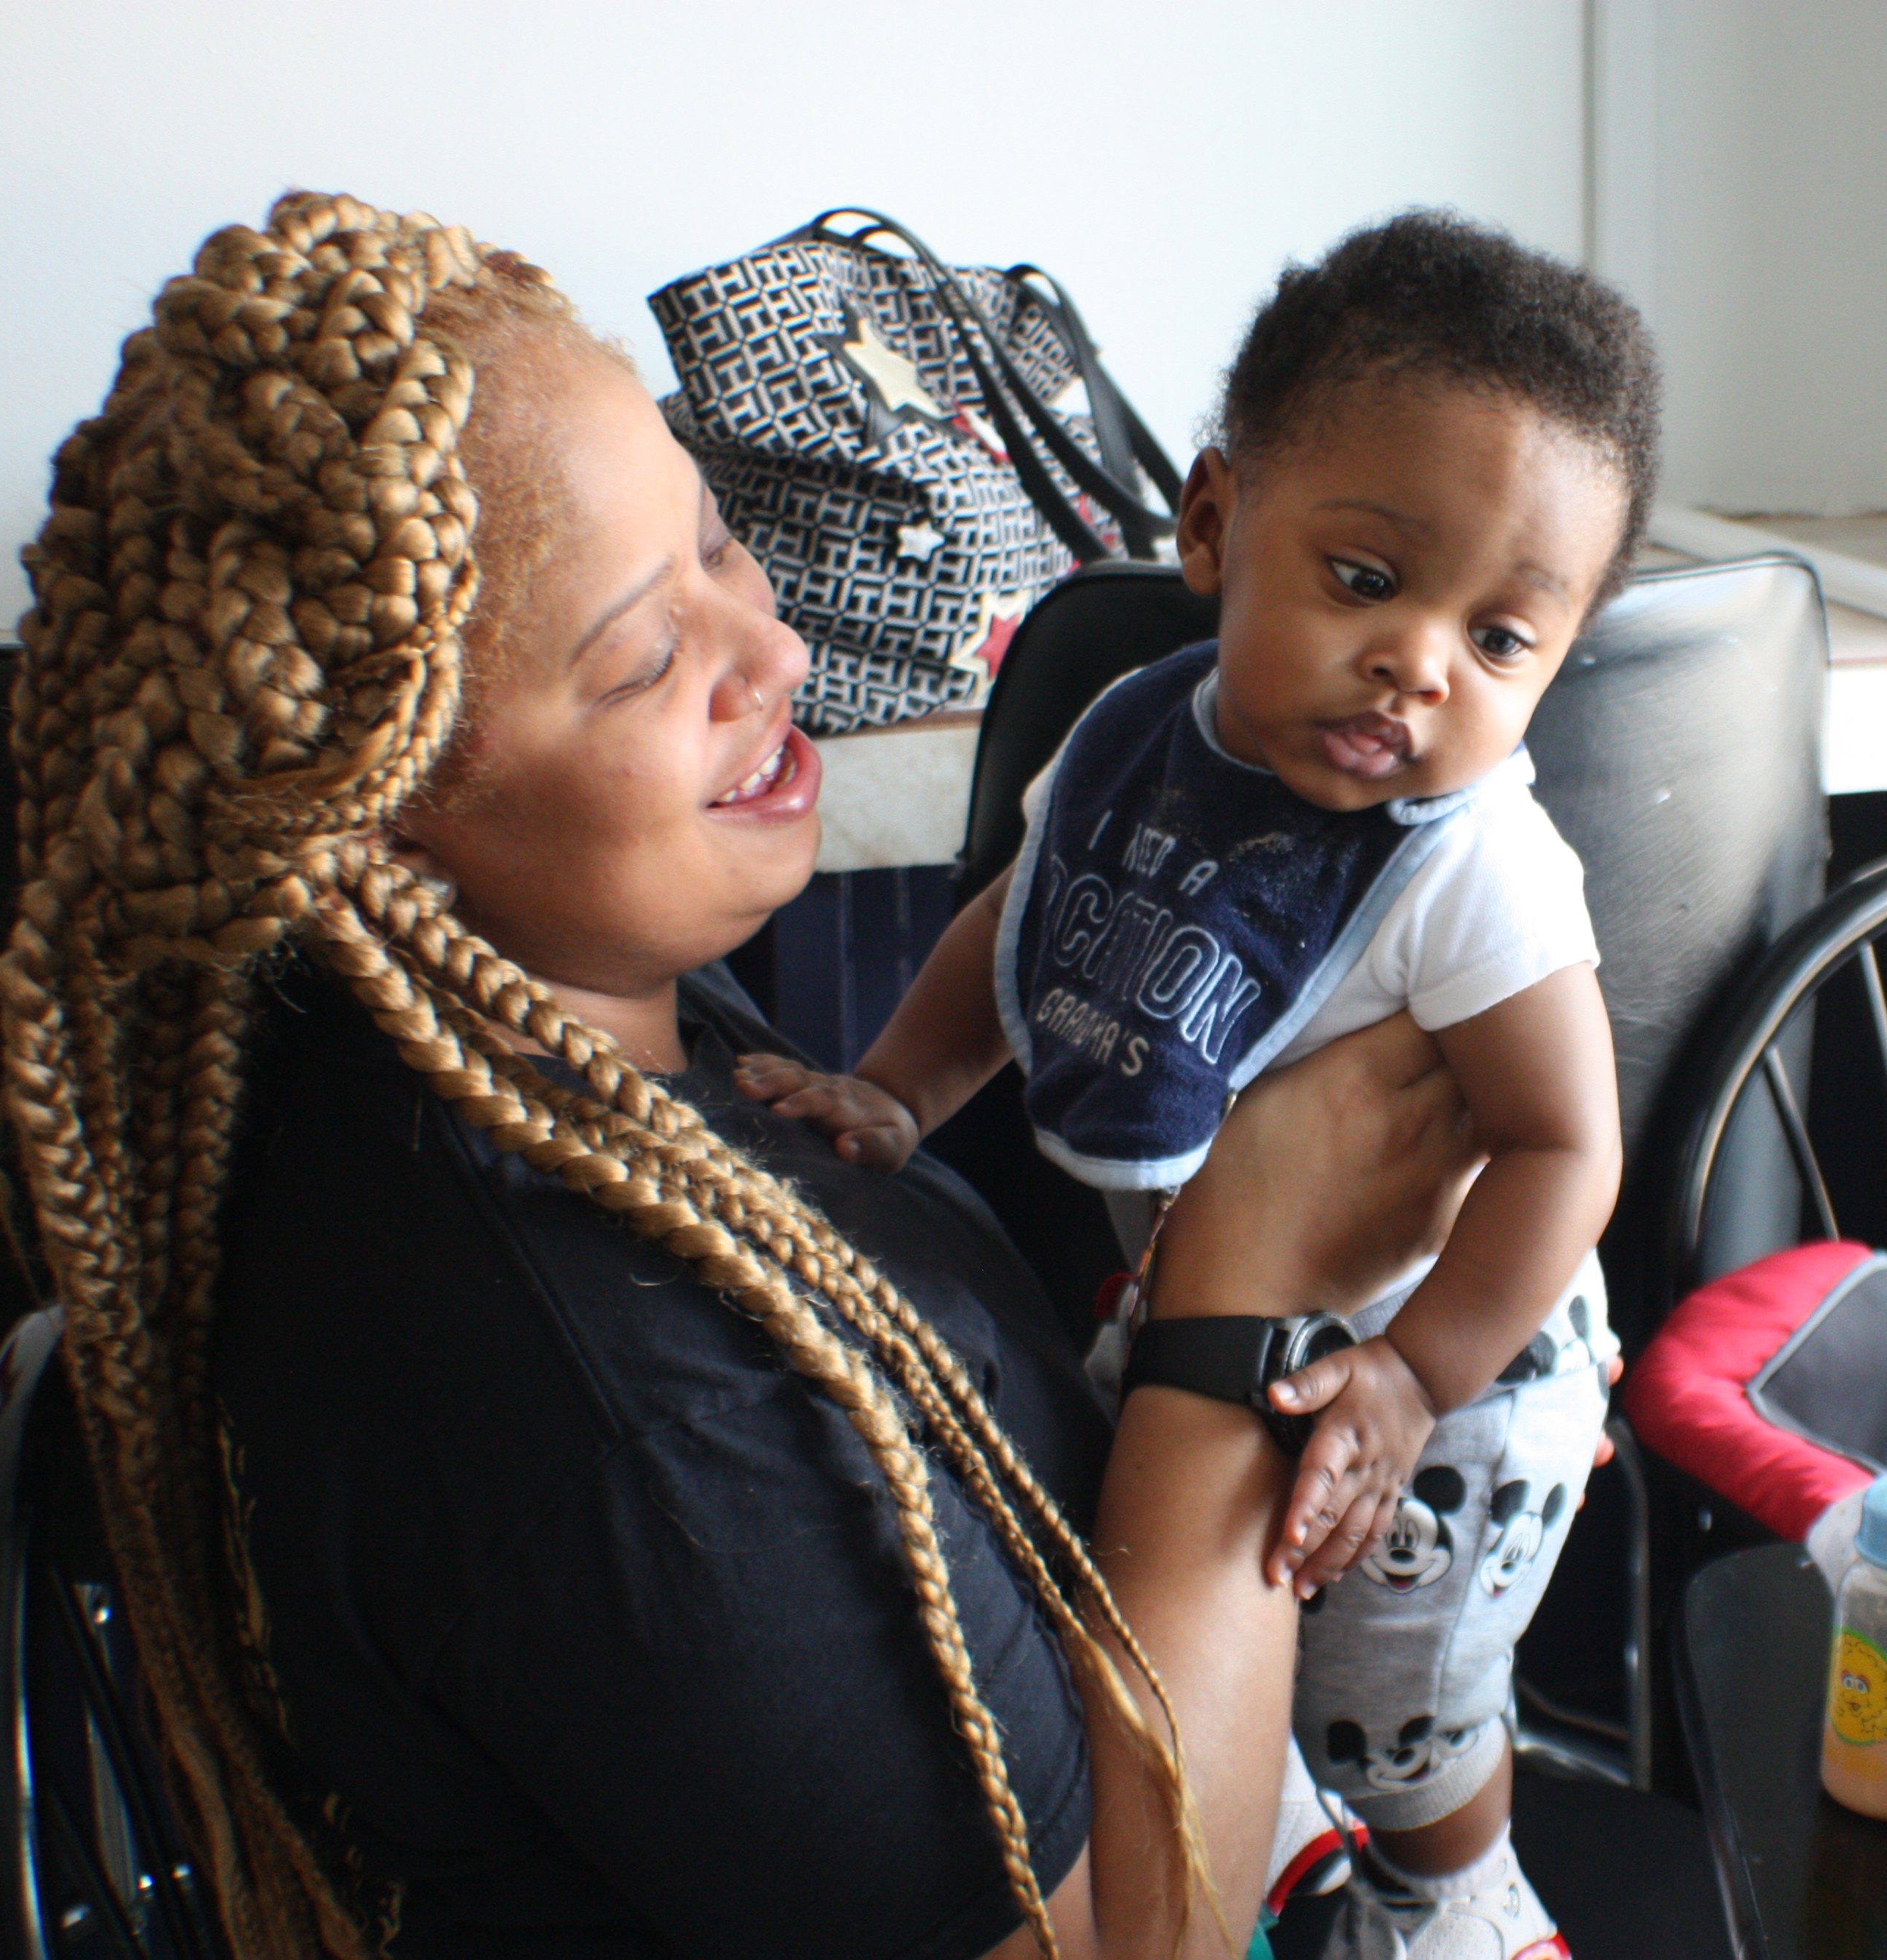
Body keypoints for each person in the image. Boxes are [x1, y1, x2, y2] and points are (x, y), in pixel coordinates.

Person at [0, 190, 1489, 1960]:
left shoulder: (584, 1030)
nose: (772, 652)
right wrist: (1246, 1299)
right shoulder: (621, 1431)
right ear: (374, 820)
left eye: (717, 540)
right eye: (645, 658)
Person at [739, 214, 1659, 1960]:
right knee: (1194, 1596)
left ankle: (1460, 1885)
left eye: (1502, 638)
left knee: (1404, 1697)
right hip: (1219, 1303)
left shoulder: (1473, 870)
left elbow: (1564, 1145)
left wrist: (1411, 1368)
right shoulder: (1149, 737)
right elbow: (1034, 929)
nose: (1420, 667)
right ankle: (1285, 1817)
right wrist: (897, 1093)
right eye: (1370, 584)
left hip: (1455, 1370)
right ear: (1216, 524)